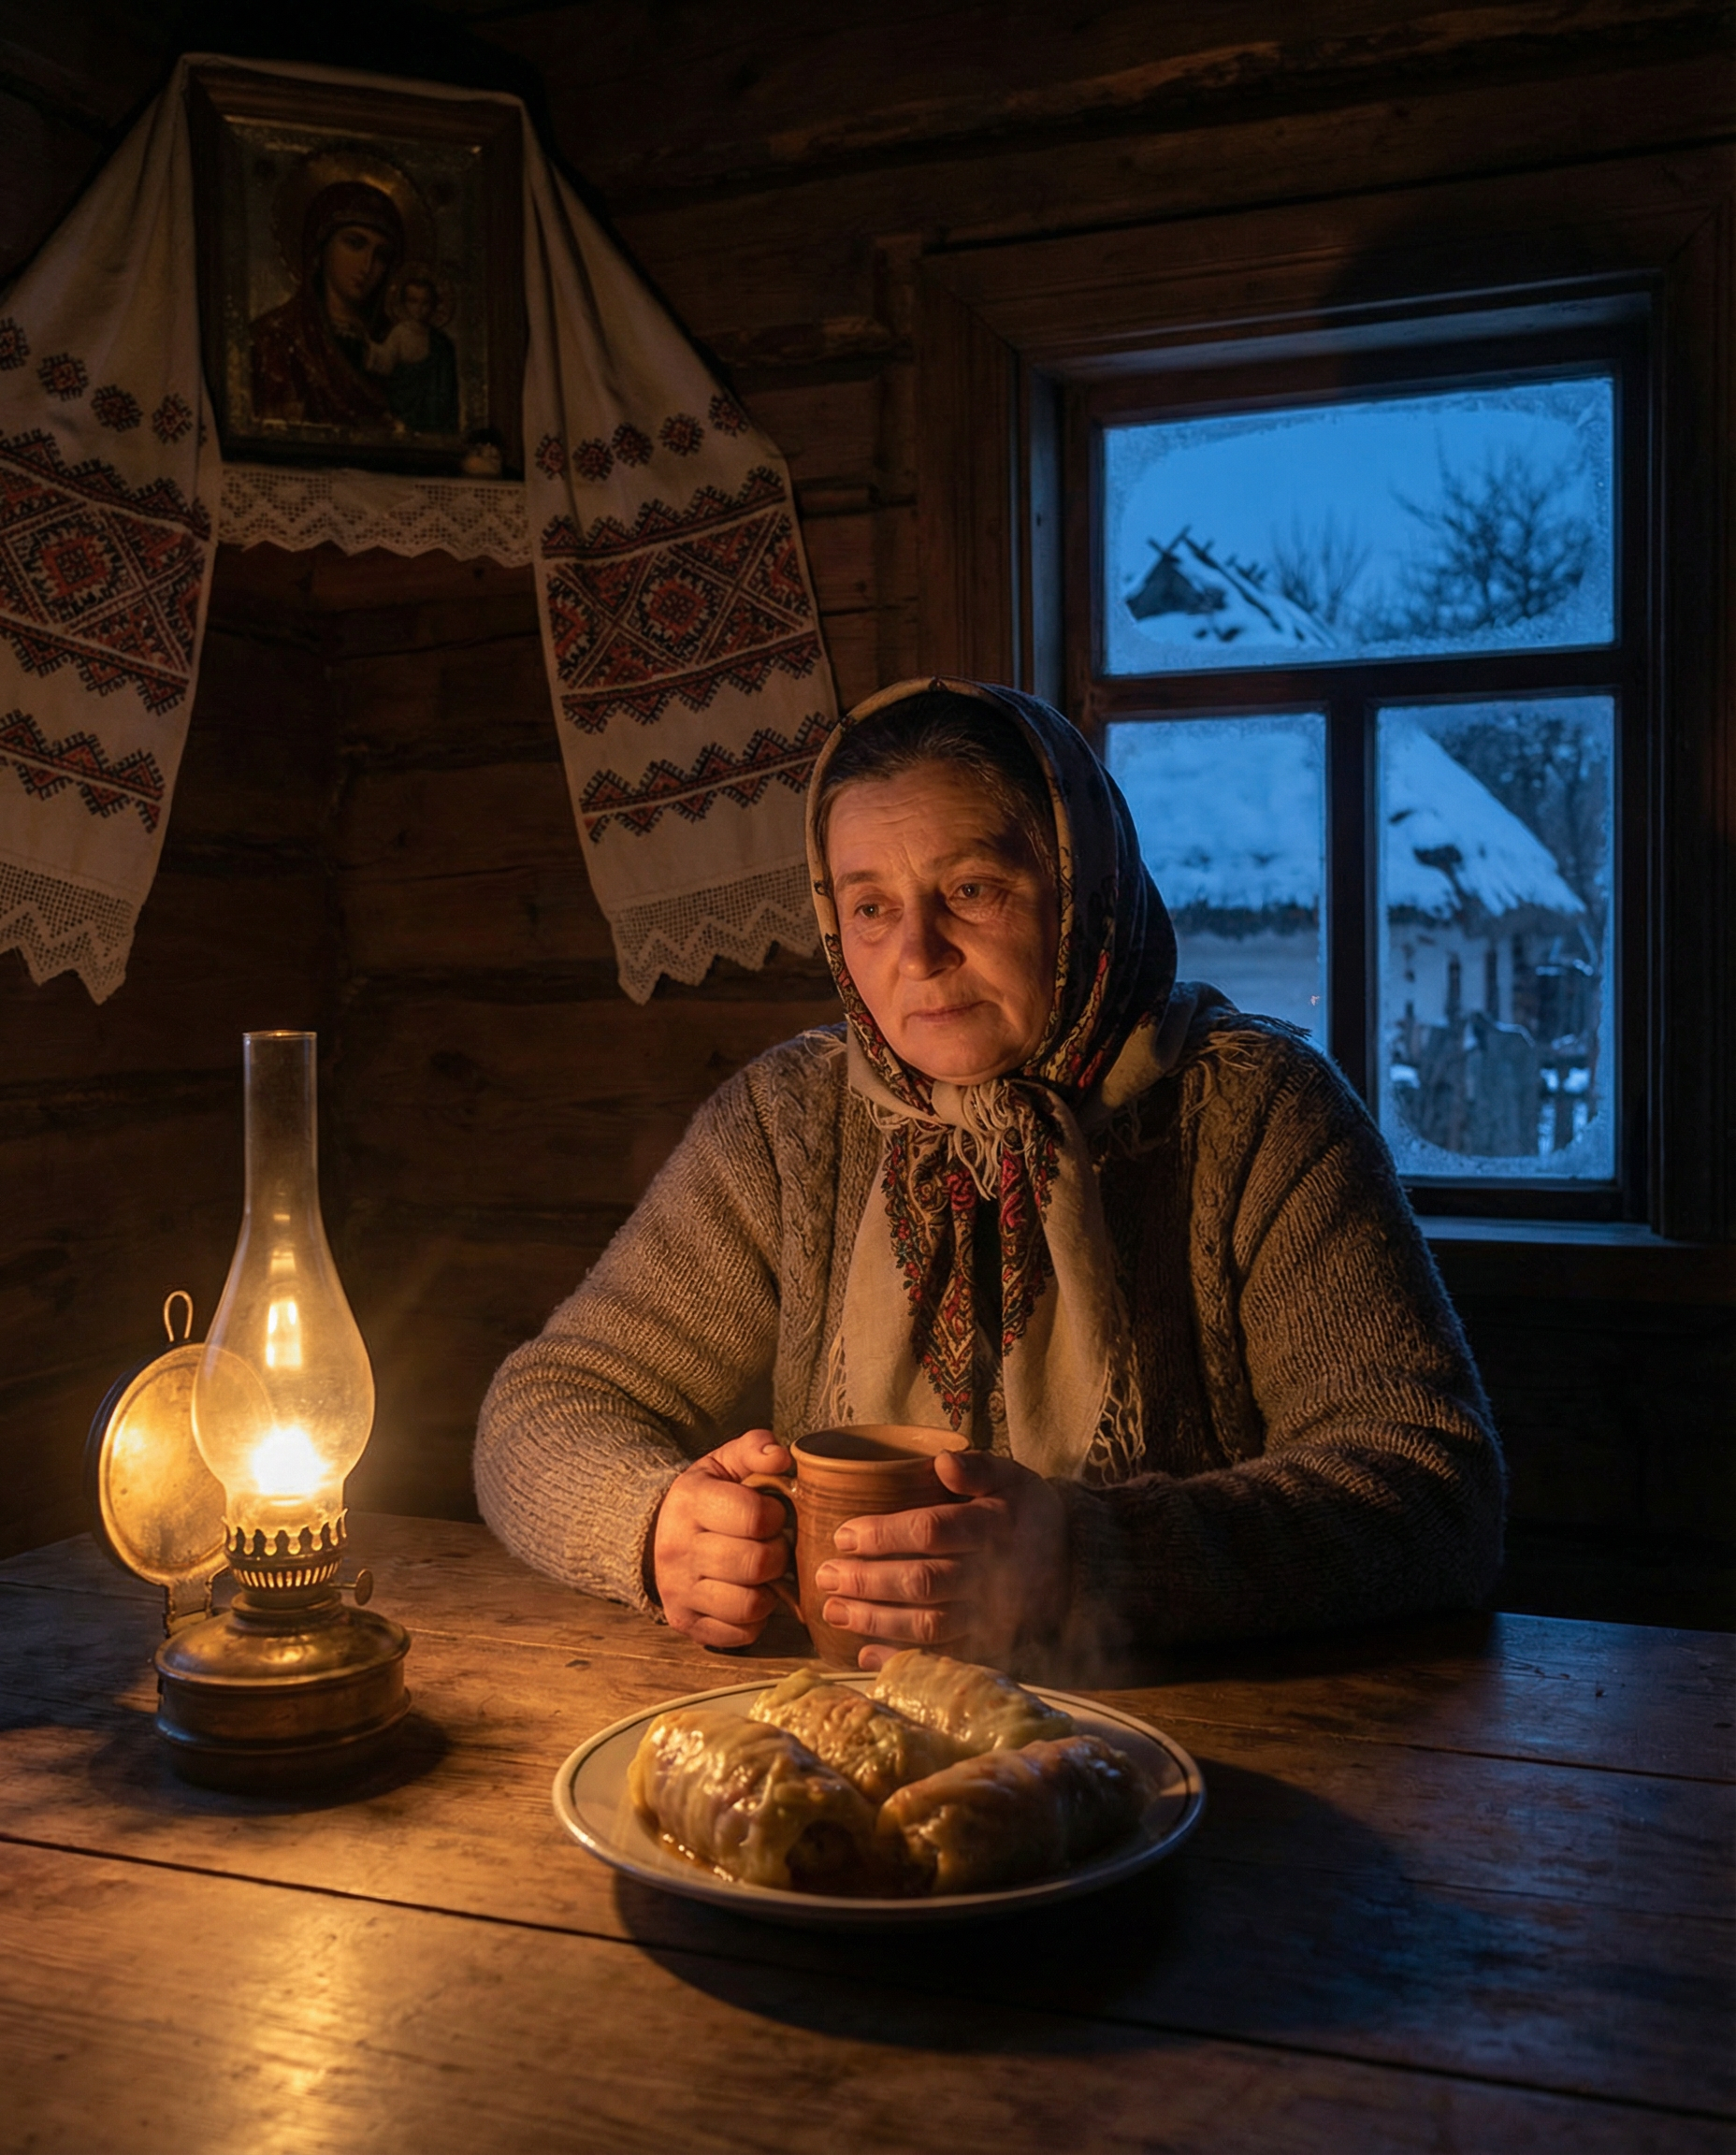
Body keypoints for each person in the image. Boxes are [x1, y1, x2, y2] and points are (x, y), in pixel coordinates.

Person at [475, 678, 1504, 1669]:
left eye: (970, 890)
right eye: (869, 907)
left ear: (1078, 888)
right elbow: (547, 1406)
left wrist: (1087, 1560)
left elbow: (1430, 1489)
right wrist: (653, 1525)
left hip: (1203, 1751)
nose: (915, 954)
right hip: (846, 1737)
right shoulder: (787, 1126)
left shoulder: (1256, 1111)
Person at [249, 181, 405, 431]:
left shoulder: (397, 342)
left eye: (382, 255)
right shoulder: (276, 338)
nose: (367, 265)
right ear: (320, 247)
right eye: (355, 243)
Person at [365, 265, 460, 435]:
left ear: (433, 306)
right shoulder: (399, 333)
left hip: (432, 416)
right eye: (413, 301)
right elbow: (386, 363)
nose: (419, 308)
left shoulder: (441, 344)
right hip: (401, 408)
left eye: (425, 303)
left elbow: (446, 390)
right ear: (404, 303)